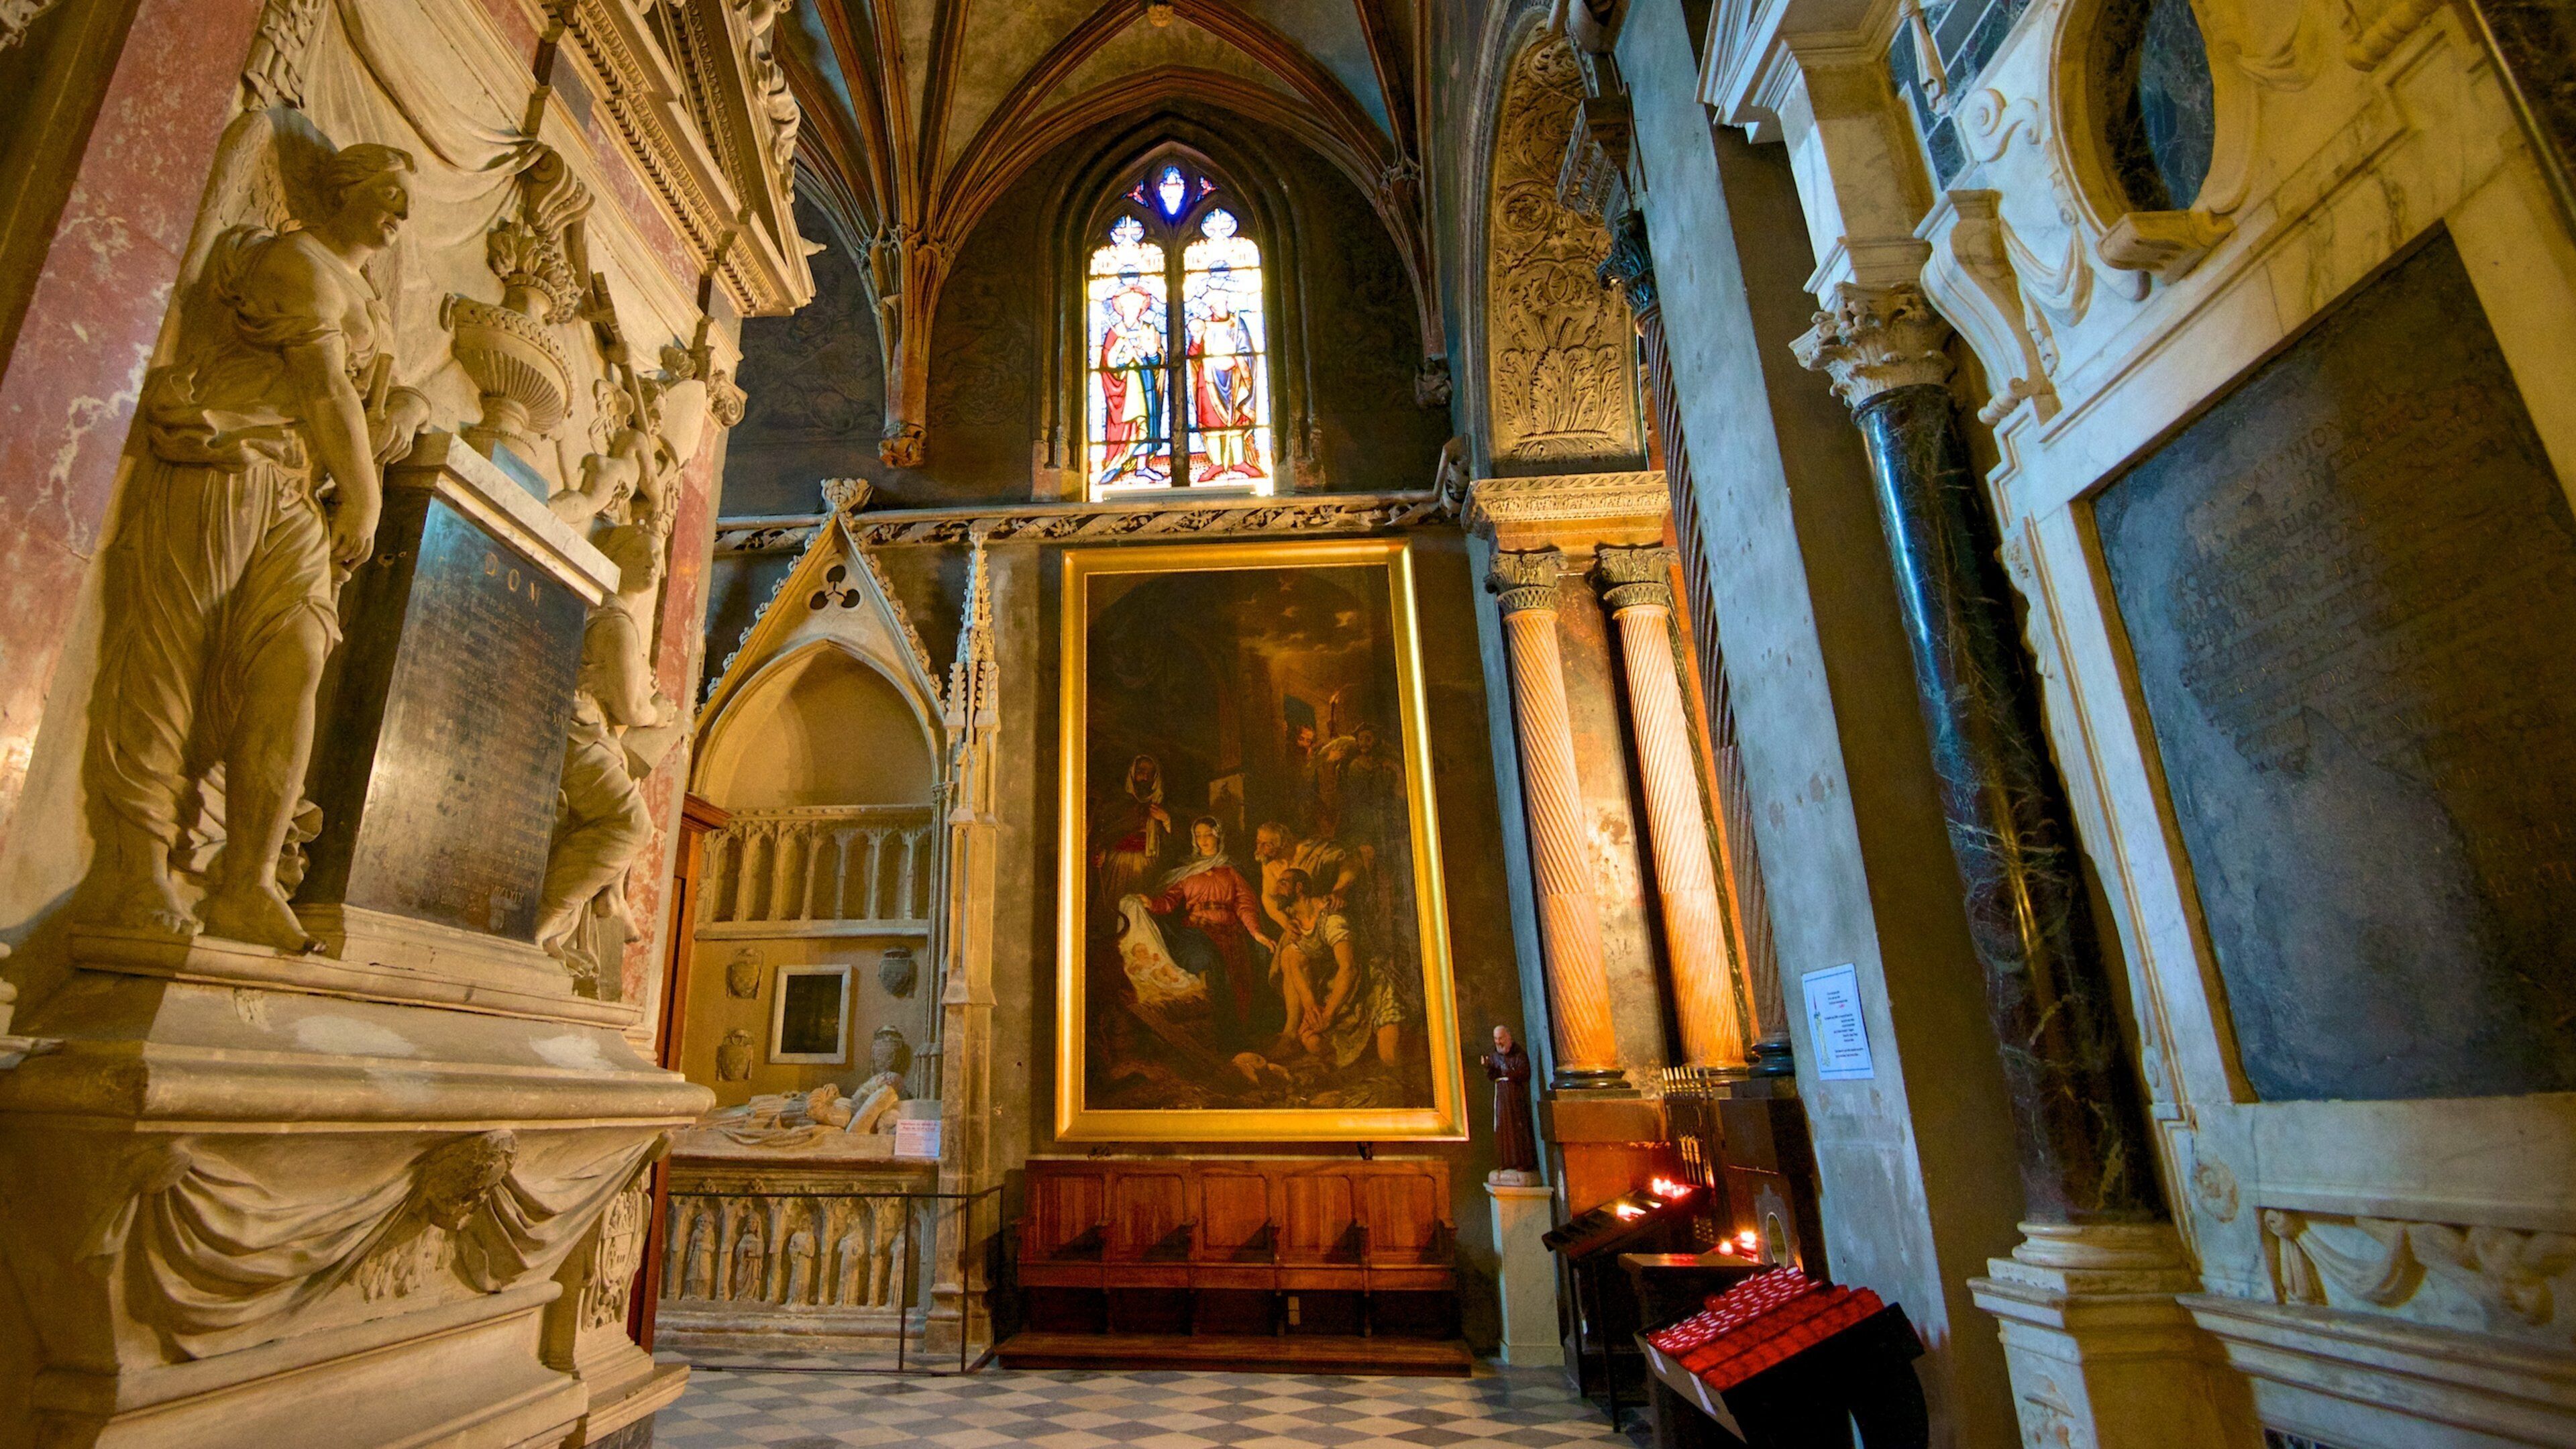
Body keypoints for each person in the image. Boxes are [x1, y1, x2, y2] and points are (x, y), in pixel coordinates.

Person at [82, 141, 431, 951]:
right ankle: (139, 863)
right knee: (174, 653)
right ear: (340, 191)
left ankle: (247, 880)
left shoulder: (366, 301)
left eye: (407, 198)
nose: (403, 213)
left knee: (298, 660)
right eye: (388, 190)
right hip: (229, 465)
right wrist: (369, 493)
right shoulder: (294, 260)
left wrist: (407, 409)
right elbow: (325, 388)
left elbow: (380, 389)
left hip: (301, 493)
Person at [1144, 816, 1275, 1045]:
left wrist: (1256, 932)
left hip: (1231, 932)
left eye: (1208, 834)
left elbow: (1245, 905)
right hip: (1198, 931)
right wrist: (1150, 903)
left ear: (1218, 835)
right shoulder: (1187, 872)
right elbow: (1168, 902)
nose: (1204, 840)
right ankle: (1218, 1035)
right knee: (1209, 963)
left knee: (1244, 969)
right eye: (1199, 836)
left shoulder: (1231, 870)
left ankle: (1237, 1035)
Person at [1270, 867, 1403, 1070]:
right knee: (1312, 1041)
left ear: (1299, 888)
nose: (1276, 889)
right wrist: (1312, 1010)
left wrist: (1329, 1013)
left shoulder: (1331, 918)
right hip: (1337, 992)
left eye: (1283, 883)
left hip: (1368, 987)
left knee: (1390, 1057)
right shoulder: (1297, 924)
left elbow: (1349, 968)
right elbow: (1293, 962)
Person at [1090, 753, 1171, 918]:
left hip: (1148, 868)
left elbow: (1173, 845)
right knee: (1116, 912)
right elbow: (1107, 834)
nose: (1145, 777)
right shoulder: (1119, 805)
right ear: (1133, 774)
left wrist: (1166, 820)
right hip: (1118, 866)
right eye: (1141, 771)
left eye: (1150, 773)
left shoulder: (1162, 807)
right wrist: (1103, 851)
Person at [1480, 1025, 1540, 1182]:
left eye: (1501, 1038)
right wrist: (1487, 1067)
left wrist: (1509, 1073)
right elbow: (1493, 1075)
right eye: (1496, 1039)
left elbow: (1524, 1072)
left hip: (1515, 1096)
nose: (1499, 1042)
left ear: (1508, 1037)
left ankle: (1522, 1161)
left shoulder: (1519, 1054)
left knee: (1517, 1127)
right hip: (1501, 1096)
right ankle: (1506, 1161)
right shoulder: (1495, 1056)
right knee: (1502, 1128)